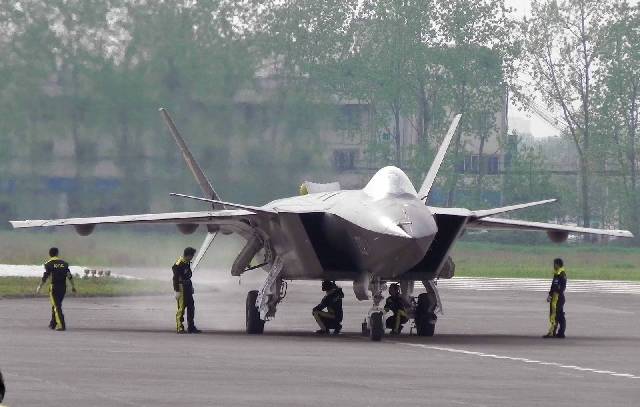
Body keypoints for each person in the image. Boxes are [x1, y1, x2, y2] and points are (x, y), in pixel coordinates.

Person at [36, 247, 76, 331]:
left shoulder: (49, 264)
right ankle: (53, 323)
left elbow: (45, 276)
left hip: (54, 287)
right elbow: (69, 275)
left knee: (56, 306)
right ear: (57, 254)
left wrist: (39, 286)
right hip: (63, 287)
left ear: (50, 254)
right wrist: (73, 286)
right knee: (56, 305)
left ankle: (61, 325)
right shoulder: (64, 264)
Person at [172, 247, 201, 334]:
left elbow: (187, 276)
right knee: (181, 308)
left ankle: (191, 327)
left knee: (191, 307)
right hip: (181, 287)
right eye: (192, 256)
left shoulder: (186, 262)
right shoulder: (179, 264)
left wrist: (191, 286)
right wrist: (176, 290)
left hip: (187, 286)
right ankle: (179, 327)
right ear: (188, 255)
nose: (192, 257)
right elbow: (175, 278)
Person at [544, 258, 567, 338]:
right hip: (555, 297)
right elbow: (553, 286)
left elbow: (563, 287)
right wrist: (550, 295)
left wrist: (557, 294)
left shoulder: (562, 274)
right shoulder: (556, 274)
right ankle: (559, 333)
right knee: (557, 315)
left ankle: (554, 332)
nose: (553, 265)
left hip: (558, 298)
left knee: (556, 315)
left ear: (557, 264)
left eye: (554, 264)